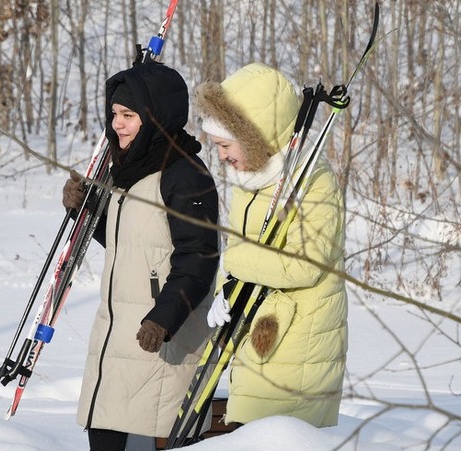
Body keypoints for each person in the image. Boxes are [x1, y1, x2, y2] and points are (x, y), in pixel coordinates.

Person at [62, 61, 219, 450]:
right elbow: (127, 243)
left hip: (160, 340)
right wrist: (84, 208)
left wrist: (163, 319)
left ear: (156, 117)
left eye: (128, 115)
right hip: (118, 334)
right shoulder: (126, 169)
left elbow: (199, 258)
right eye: (114, 114)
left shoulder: (185, 175)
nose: (117, 124)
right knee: (104, 433)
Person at [193, 62, 348, 427]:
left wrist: (234, 261)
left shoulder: (313, 181)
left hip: (299, 349)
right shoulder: (247, 182)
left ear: (253, 137)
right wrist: (223, 292)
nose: (221, 156)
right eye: (216, 146)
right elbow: (242, 256)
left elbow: (305, 263)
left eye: (225, 145)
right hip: (256, 337)